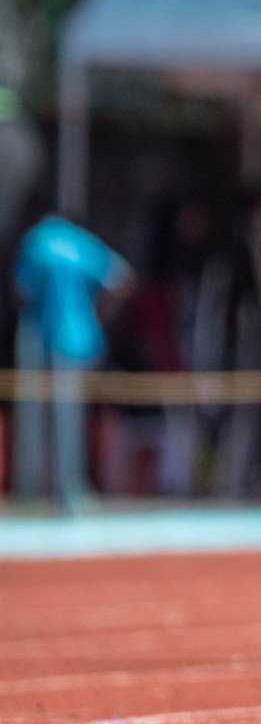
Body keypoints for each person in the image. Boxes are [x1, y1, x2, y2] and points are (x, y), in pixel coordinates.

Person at [13, 213, 132, 511]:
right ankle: (69, 491)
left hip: (38, 338)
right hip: (78, 338)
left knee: (32, 417)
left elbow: (21, 290)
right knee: (70, 420)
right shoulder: (82, 243)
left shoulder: (37, 240)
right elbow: (122, 278)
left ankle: (29, 491)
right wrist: (97, 314)